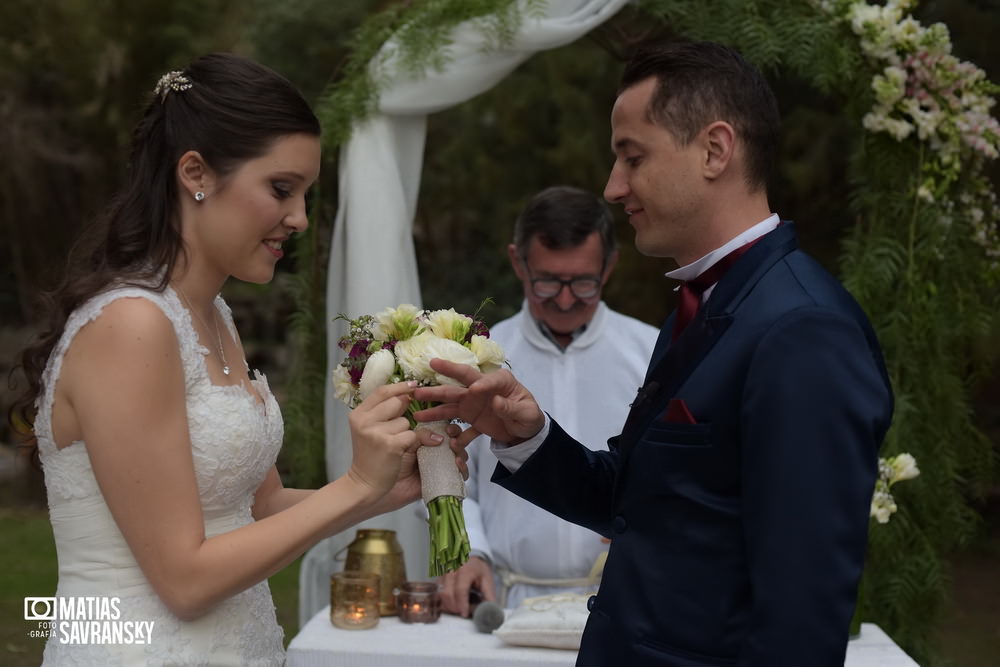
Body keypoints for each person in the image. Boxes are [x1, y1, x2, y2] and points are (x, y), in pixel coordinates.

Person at [415, 40, 893, 665]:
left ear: (715, 150)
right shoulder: (701, 309)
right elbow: (637, 507)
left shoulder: (801, 329)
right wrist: (526, 435)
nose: (614, 188)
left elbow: (801, 612)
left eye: (632, 158)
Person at [10, 53, 447, 666]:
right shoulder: (132, 325)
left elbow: (256, 509)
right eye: (280, 189)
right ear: (196, 173)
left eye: (304, 195)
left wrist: (388, 488)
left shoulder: (215, 319)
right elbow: (184, 580)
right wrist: (353, 487)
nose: (298, 219)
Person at [439, 186, 658, 616]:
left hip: (621, 601)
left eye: (582, 282)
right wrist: (471, 550)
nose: (563, 299)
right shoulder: (474, 357)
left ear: (609, 266)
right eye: (547, 282)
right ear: (517, 262)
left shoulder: (651, 354)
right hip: (502, 600)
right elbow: (448, 474)